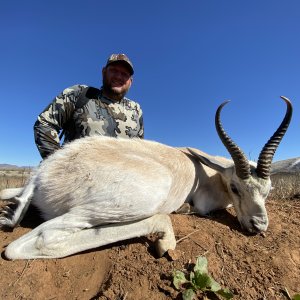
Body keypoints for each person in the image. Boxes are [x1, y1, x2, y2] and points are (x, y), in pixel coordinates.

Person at [34, 54, 144, 159]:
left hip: (121, 177)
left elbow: (140, 151)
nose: (119, 76)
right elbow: (45, 123)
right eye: (114, 70)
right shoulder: (79, 93)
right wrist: (60, 166)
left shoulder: (135, 109)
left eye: (125, 74)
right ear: (104, 72)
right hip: (77, 176)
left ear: (131, 81)